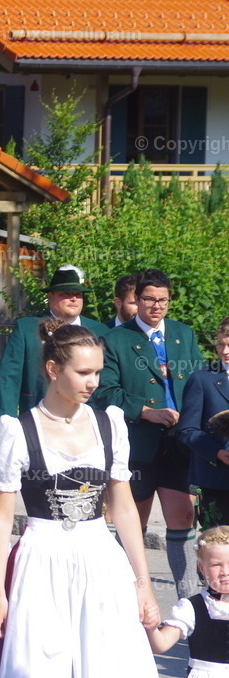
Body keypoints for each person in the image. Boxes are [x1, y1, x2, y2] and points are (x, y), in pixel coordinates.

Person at [0, 319, 160, 677]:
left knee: (108, 659)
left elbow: (124, 509)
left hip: (100, 555)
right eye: (84, 372)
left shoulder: (109, 424)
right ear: (53, 369)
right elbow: (2, 518)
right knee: (41, 663)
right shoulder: (18, 430)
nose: (94, 382)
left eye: (97, 371)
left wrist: (142, 584)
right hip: (41, 559)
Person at [95, 267, 204, 599]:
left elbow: (198, 384)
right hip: (137, 444)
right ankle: (123, 598)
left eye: (163, 300)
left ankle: (188, 603)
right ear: (136, 300)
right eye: (149, 299)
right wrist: (146, 411)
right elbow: (104, 392)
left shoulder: (184, 334)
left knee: (184, 516)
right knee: (133, 523)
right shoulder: (116, 339)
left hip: (180, 443)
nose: (156, 307)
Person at [0, 265, 108, 419]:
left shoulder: (99, 331)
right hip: (37, 415)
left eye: (78, 294)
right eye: (66, 294)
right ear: (51, 296)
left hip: (86, 417)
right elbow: (9, 377)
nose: (74, 298)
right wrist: (5, 420)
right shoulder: (27, 328)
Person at [145, 525, 229, 675]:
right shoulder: (192, 608)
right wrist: (151, 628)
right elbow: (161, 645)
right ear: (202, 568)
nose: (225, 572)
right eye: (217, 564)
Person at [179, 316, 229, 532]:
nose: (224, 351)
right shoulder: (202, 379)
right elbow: (187, 430)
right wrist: (217, 452)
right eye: (221, 343)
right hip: (216, 480)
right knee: (217, 548)